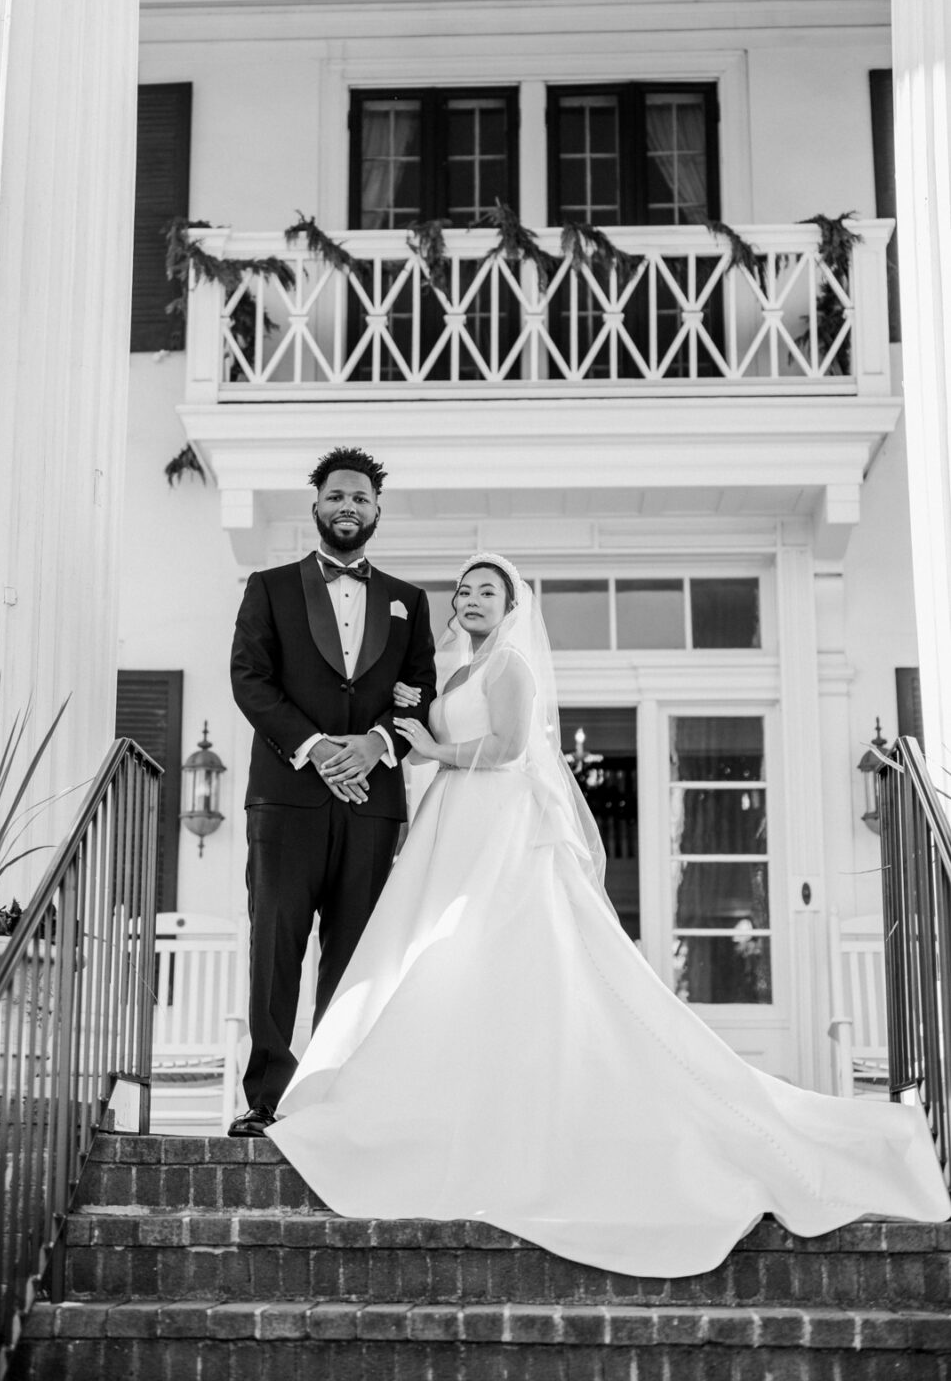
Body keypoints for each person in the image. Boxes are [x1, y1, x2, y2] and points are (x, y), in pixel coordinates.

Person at [269, 551, 949, 1277]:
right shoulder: (453, 670)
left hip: (497, 826)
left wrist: (432, 746)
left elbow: (503, 750)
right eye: (463, 591)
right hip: (449, 824)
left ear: (510, 606)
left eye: (486, 592)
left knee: (493, 954)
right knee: (439, 965)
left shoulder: (510, 669)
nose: (471, 599)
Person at [228, 446, 436, 1138]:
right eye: (337, 496)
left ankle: (337, 1100)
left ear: (377, 512)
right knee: (275, 948)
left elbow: (422, 693)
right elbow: (250, 681)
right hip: (287, 799)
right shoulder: (269, 587)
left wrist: (375, 745)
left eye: (361, 499)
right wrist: (317, 750)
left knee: (355, 954)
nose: (348, 506)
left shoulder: (410, 602)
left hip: (372, 804)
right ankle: (267, 1101)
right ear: (316, 505)